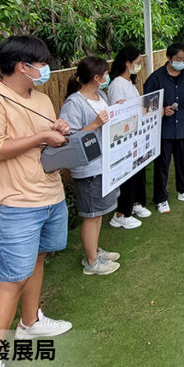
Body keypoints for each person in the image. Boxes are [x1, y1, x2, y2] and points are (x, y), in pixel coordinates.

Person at [0, 35, 72, 367]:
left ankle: (30, 322)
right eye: (41, 63)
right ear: (21, 66)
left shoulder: (40, 99)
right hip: (14, 203)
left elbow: (46, 140)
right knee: (12, 278)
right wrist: (42, 136)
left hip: (49, 194)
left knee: (38, 261)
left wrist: (58, 129)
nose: (45, 68)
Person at [59, 57, 121, 275]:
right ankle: (92, 262)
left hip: (105, 163)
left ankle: (93, 251)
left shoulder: (101, 95)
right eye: (105, 74)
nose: (108, 77)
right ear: (96, 78)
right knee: (91, 214)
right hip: (89, 168)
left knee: (99, 213)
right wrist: (95, 124)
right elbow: (68, 139)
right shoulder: (74, 103)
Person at [143, 43, 184, 213]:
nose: (181, 62)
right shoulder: (156, 78)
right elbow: (146, 103)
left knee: (182, 162)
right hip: (164, 130)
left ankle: (183, 191)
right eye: (178, 59)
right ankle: (160, 199)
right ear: (169, 57)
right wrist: (162, 110)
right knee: (162, 165)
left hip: (183, 127)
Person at [106, 46, 152, 230]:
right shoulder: (117, 84)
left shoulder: (129, 83)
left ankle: (134, 204)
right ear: (127, 63)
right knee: (128, 176)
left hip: (136, 136)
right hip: (124, 138)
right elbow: (118, 113)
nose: (139, 65)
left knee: (138, 171)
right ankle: (121, 214)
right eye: (137, 62)